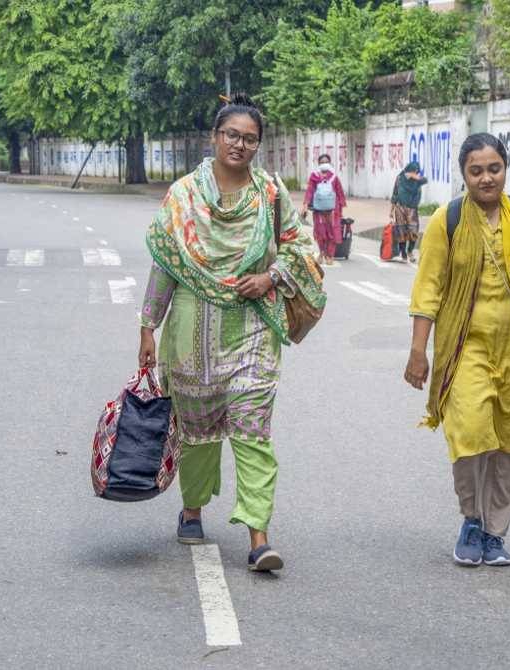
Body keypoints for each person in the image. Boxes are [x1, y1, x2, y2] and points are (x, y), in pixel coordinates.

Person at [137, 93, 326, 573]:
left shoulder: (269, 193)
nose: (239, 145)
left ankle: (259, 536)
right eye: (231, 135)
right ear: (215, 138)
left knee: (253, 428)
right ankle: (193, 508)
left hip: (252, 330)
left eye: (249, 139)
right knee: (198, 431)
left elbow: (301, 248)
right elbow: (165, 263)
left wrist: (271, 278)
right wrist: (147, 327)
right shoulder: (183, 194)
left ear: (258, 145)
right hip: (190, 331)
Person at [404, 133, 510, 567]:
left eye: (493, 168)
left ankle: (496, 532)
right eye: (476, 170)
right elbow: (428, 288)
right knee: (471, 434)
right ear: (463, 174)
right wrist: (419, 351)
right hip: (465, 347)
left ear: (505, 169)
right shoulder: (449, 219)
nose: (486, 178)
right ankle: (471, 520)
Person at [300, 153, 347, 265]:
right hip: (318, 210)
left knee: (332, 232)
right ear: (318, 164)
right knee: (320, 232)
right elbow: (310, 190)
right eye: (322, 162)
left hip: (333, 210)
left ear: (329, 163)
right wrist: (305, 204)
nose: (324, 164)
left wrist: (340, 211)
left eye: (326, 162)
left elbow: (339, 192)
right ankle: (322, 253)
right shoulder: (314, 176)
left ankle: (329, 255)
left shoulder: (334, 177)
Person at [390, 160, 427, 262]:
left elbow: (425, 180)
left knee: (413, 230)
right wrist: (391, 210)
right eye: (414, 171)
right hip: (400, 207)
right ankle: (403, 253)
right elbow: (395, 194)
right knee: (401, 230)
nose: (416, 173)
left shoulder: (417, 180)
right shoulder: (400, 178)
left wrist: (415, 177)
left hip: (412, 209)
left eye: (417, 171)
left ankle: (410, 250)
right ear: (409, 169)